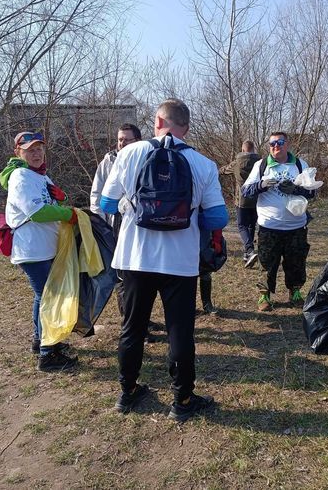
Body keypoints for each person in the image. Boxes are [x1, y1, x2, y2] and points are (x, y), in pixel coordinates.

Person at [100, 98, 228, 421]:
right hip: (180, 264)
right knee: (180, 331)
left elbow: (106, 203)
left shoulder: (129, 154)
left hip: (133, 258)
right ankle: (182, 400)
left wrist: (134, 208)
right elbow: (217, 219)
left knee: (131, 327)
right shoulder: (203, 164)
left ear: (157, 122)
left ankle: (127, 392)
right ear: (186, 127)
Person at [1, 132, 79, 372]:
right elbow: (38, 212)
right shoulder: (21, 176)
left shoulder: (40, 175)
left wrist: (62, 198)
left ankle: (42, 341)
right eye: (29, 150)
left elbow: (51, 202)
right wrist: (68, 214)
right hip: (32, 249)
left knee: (44, 296)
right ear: (18, 153)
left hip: (45, 247)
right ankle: (47, 354)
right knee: (47, 298)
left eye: (39, 149)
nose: (36, 154)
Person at [242, 132, 316, 312]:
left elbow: (312, 192)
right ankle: (264, 296)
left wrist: (296, 189)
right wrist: (261, 185)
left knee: (296, 261)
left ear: (287, 144)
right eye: (272, 143)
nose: (276, 146)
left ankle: (295, 292)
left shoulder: (299, 164)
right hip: (269, 226)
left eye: (280, 142)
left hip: (296, 226)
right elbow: (245, 191)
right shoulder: (261, 165)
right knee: (267, 263)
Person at [89, 123, 142, 326]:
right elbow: (96, 194)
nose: (122, 143)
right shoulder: (108, 162)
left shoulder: (146, 158)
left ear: (137, 141)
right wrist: (101, 225)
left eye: (126, 140)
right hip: (114, 226)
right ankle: (129, 322)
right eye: (120, 139)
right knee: (122, 274)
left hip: (140, 225)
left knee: (138, 274)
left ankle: (139, 318)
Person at [233, 140, 260, 268]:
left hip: (242, 200)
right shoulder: (260, 163)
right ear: (253, 149)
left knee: (242, 225)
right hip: (256, 199)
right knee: (251, 225)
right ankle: (247, 254)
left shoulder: (236, 162)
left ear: (243, 150)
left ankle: (249, 250)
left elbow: (225, 170)